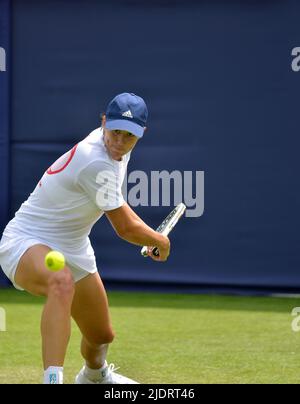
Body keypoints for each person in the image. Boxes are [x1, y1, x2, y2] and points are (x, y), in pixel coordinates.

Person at [0, 93, 170, 384]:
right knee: (61, 281)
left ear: (142, 134)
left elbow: (117, 203)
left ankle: (94, 375)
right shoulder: (94, 161)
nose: (119, 141)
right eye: (114, 131)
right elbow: (124, 228)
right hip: (25, 241)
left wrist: (151, 236)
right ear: (103, 122)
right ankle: (52, 380)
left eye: (128, 136)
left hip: (74, 246)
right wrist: (160, 241)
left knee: (101, 335)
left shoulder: (118, 151)